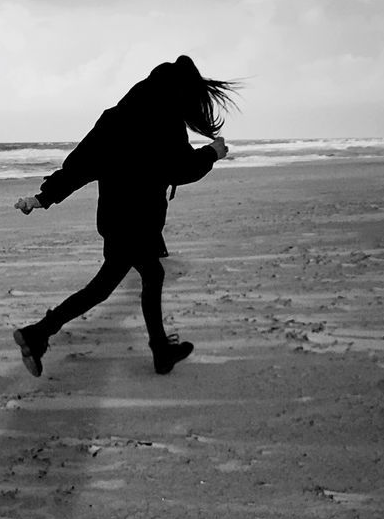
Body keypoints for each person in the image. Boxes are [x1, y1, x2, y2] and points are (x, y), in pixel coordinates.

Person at [12, 55, 239, 377]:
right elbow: (180, 168)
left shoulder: (115, 117)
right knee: (117, 284)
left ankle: (157, 351)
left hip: (114, 219)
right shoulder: (165, 121)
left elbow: (81, 165)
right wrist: (211, 154)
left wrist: (42, 197)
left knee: (131, 280)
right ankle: (38, 333)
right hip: (140, 220)